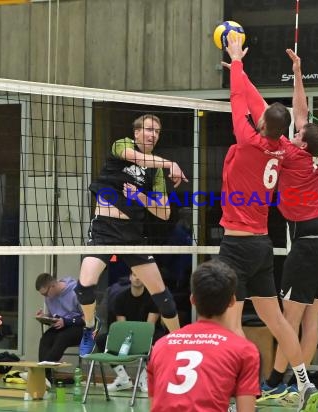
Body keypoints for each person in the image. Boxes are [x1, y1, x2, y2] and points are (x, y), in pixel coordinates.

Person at [217, 32, 318, 411]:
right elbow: (256, 102)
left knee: (231, 325)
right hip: (263, 244)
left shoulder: (246, 141)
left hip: (237, 245)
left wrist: (237, 65)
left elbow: (237, 101)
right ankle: (304, 384)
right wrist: (238, 69)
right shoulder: (287, 148)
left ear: (259, 125)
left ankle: (238, 394)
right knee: (276, 321)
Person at [260, 49, 318, 404]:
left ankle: (275, 382)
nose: (298, 126)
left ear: (302, 142)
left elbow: (278, 124)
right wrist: (297, 72)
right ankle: (300, 387)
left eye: (300, 130)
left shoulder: (291, 154)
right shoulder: (315, 155)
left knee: (287, 322)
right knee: (311, 321)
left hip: (306, 246)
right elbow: (302, 111)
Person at [75, 114, 186, 356]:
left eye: (156, 131)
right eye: (147, 129)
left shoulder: (154, 173)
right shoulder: (122, 145)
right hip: (104, 231)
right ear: (136, 133)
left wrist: (141, 197)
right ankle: (90, 327)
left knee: (162, 295)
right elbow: (134, 157)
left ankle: (178, 341)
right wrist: (170, 164)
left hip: (133, 235)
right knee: (84, 287)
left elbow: (164, 212)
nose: (152, 134)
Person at [148, 259, 260, 412]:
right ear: (233, 301)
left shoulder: (161, 346)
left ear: (192, 300)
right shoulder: (244, 350)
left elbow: (155, 405)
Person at [95, 271, 161, 392]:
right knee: (102, 340)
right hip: (128, 334)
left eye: (140, 276)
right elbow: (122, 326)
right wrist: (128, 336)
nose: (137, 278)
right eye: (134, 275)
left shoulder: (152, 298)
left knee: (160, 344)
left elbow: (149, 326)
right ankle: (123, 378)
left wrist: (140, 339)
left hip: (147, 334)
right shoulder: (121, 298)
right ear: (130, 277)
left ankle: (144, 377)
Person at [35, 273, 84, 382]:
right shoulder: (49, 297)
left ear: (53, 286)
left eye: (46, 294)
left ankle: (42, 373)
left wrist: (67, 321)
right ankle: (46, 377)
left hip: (79, 326)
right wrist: (45, 317)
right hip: (62, 325)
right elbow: (55, 317)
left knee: (62, 337)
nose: (46, 297)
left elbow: (88, 318)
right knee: (46, 338)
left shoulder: (76, 292)